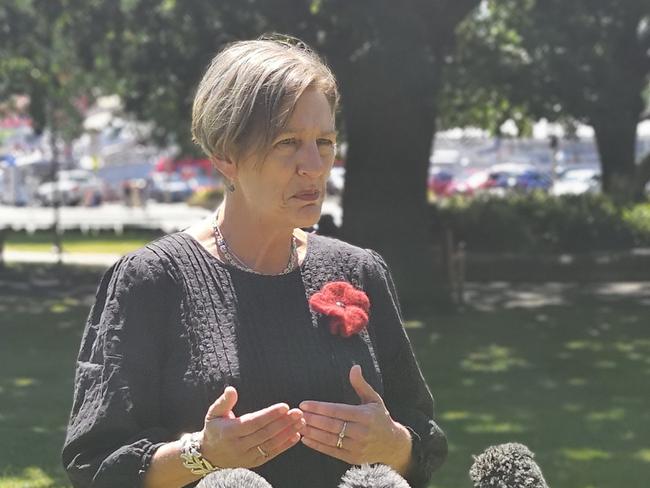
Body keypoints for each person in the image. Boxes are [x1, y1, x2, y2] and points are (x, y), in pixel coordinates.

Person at [61, 35, 447, 488]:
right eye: (287, 142)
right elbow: (95, 466)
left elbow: (422, 442)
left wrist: (394, 446)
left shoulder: (360, 272)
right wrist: (201, 456)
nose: (313, 165)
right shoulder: (151, 281)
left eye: (324, 141)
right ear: (225, 156)